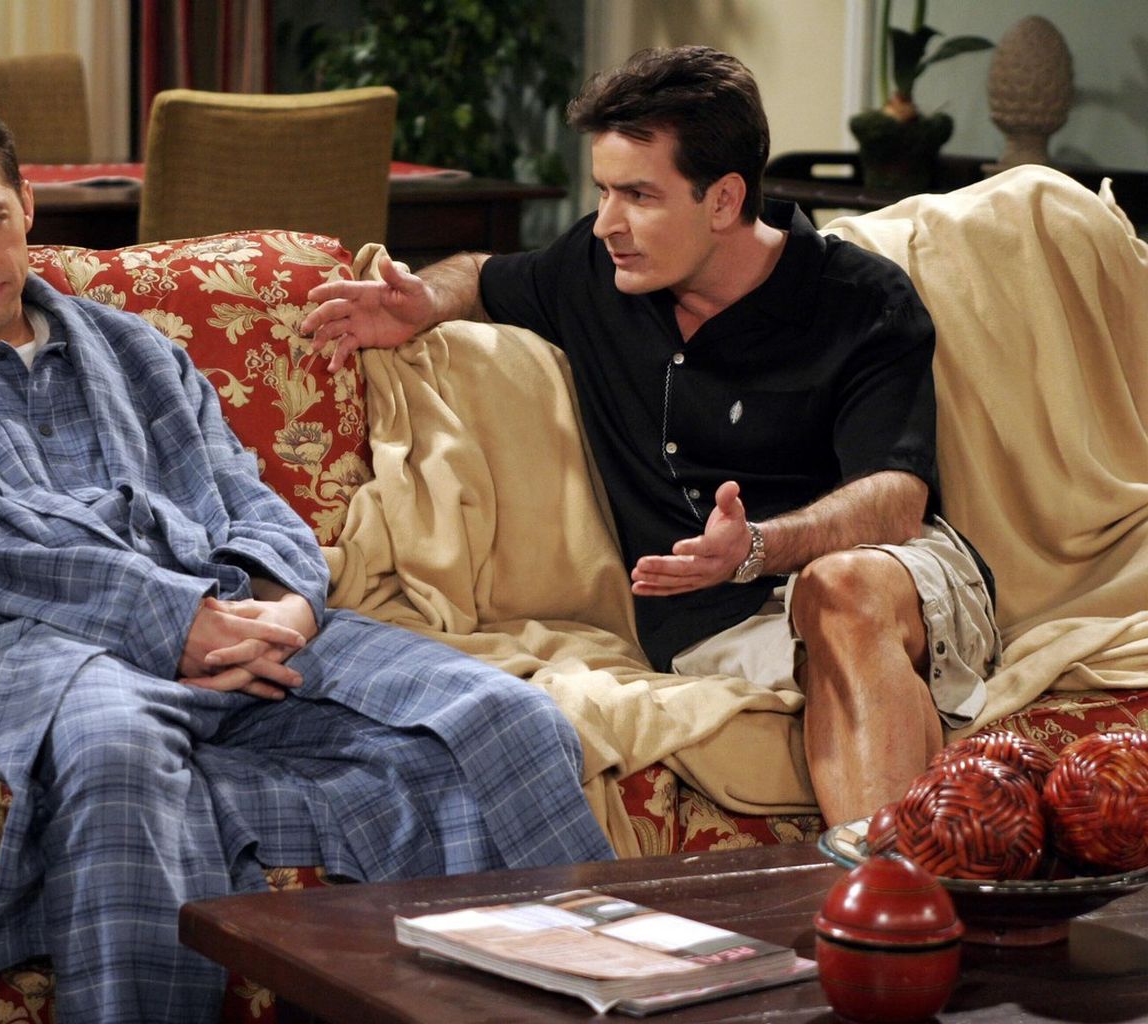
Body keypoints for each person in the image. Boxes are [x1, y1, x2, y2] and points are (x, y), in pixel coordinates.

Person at [0, 88, 613, 1023]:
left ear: (27, 204)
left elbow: (244, 492)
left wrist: (291, 602)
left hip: (243, 618)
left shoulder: (133, 346)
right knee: (116, 763)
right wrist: (167, 619)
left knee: (511, 719)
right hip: (68, 651)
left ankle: (583, 1000)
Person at [302, 45, 1001, 828]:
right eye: (604, 190)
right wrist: (423, 301)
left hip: (886, 573)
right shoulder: (596, 269)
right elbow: (485, 273)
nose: (607, 222)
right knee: (830, 634)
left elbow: (897, 501)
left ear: (724, 198)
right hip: (712, 623)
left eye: (638, 195)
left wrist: (761, 546)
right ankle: (901, 875)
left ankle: (887, 891)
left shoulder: (861, 300)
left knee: (840, 593)